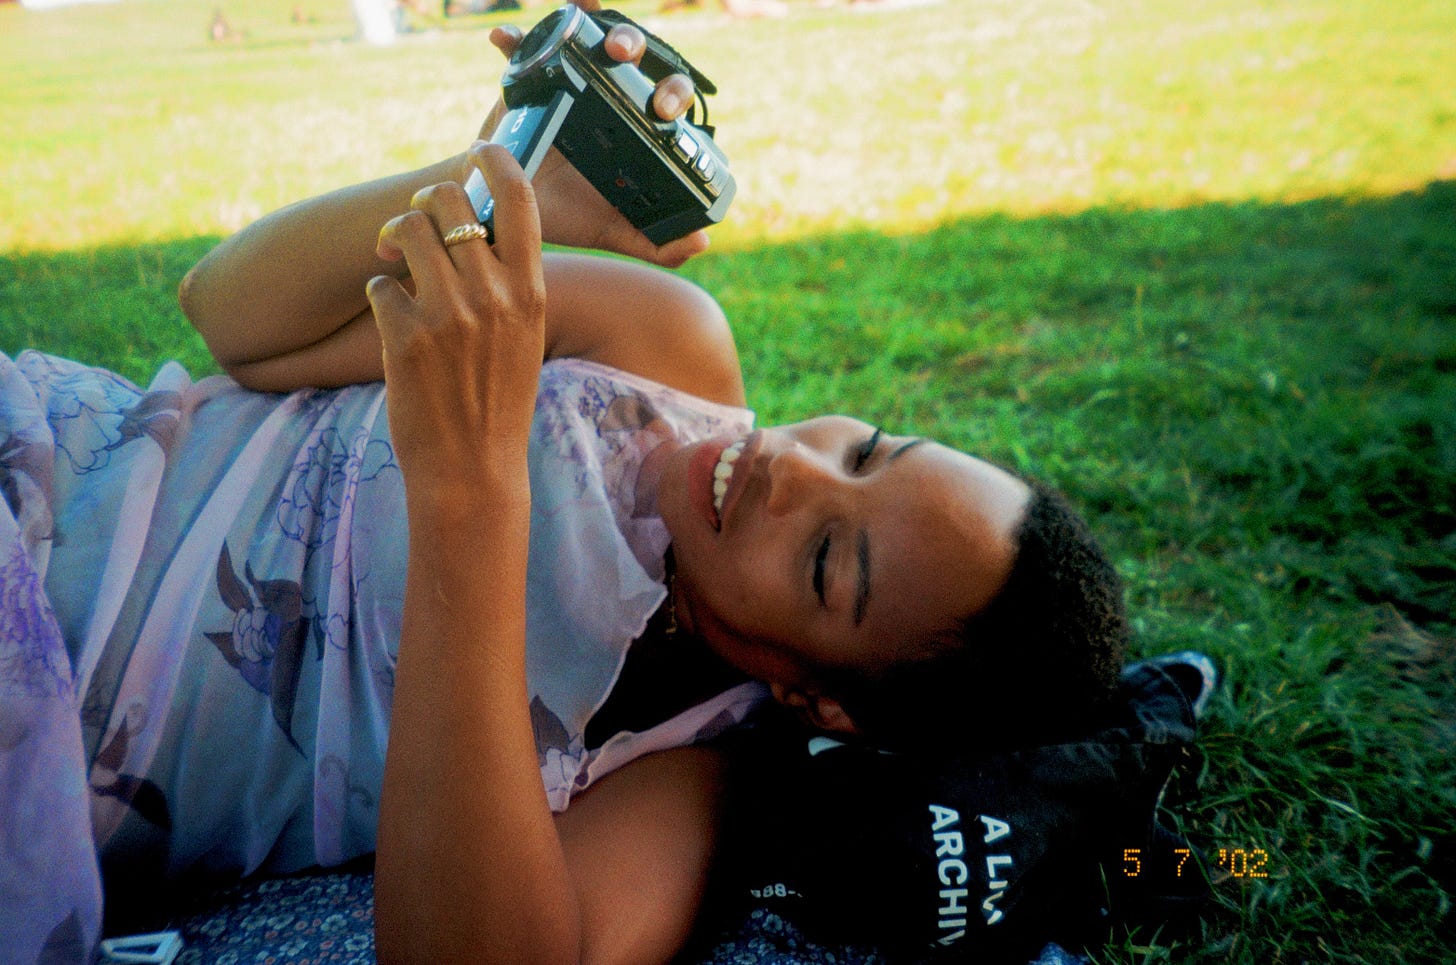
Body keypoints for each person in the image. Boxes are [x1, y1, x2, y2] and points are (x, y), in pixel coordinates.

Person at [0, 4, 1126, 962]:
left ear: (817, 701)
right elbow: (231, 315)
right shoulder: (658, 351)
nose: (796, 465)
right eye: (868, 448)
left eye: (829, 559)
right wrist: (503, 184)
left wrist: (473, 494)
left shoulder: (679, 766)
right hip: (50, 477)